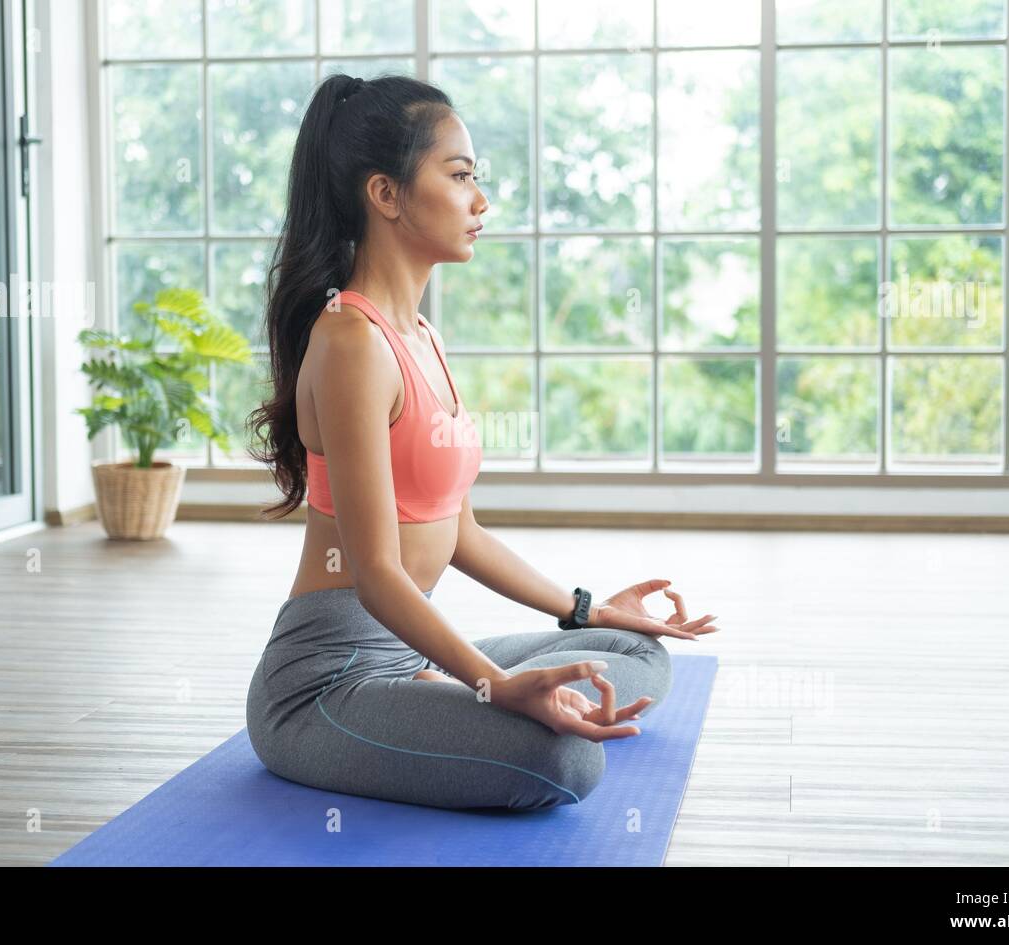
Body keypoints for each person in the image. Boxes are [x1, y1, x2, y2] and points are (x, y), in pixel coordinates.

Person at [244, 73, 719, 811]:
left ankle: (437, 696)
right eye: (460, 175)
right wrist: (493, 686)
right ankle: (440, 701)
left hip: (408, 651)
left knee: (636, 654)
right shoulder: (349, 342)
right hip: (326, 682)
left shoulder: (422, 336)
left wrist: (587, 608)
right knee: (563, 759)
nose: (480, 201)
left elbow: (459, 532)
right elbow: (374, 571)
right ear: (387, 194)